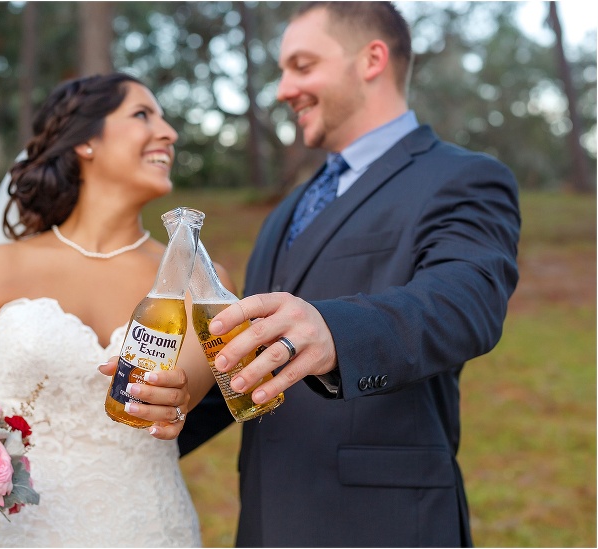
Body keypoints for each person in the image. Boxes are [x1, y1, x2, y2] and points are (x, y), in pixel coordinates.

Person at [179, 2, 521, 547]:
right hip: (268, 522)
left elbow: (465, 302)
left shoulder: (464, 177)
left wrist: (334, 331)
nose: (283, 89)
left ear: (371, 60)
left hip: (383, 524)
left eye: (302, 65)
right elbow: (261, 362)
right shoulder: (284, 213)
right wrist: (171, 410)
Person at [0, 73, 229, 547]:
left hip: (150, 527)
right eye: (143, 114)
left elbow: (185, 388)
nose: (169, 132)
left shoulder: (200, 281)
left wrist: (172, 396)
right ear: (85, 141)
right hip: (14, 533)